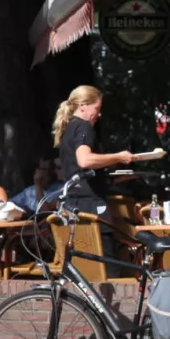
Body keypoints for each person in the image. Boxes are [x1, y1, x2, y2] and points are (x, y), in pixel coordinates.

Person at [52, 85, 131, 259]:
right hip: (91, 207)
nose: (99, 114)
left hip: (74, 205)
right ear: (82, 105)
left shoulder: (68, 129)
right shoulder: (84, 127)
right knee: (106, 261)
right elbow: (85, 160)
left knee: (84, 264)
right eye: (97, 109)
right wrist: (118, 157)